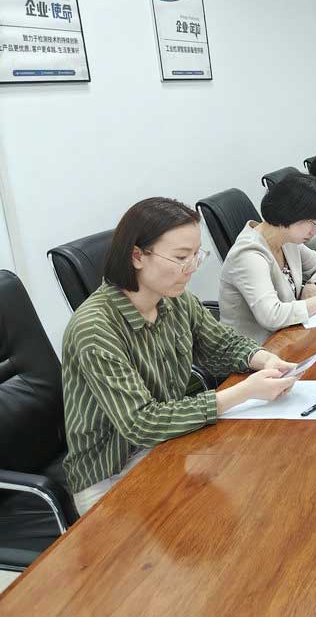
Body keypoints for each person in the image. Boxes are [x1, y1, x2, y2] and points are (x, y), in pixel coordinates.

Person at [62, 197, 301, 514]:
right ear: (137, 256)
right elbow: (142, 422)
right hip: (111, 472)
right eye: (180, 257)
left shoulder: (174, 298)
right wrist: (244, 392)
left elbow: (221, 344)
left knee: (263, 482)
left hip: (170, 442)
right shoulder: (95, 329)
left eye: (195, 255)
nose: (191, 268)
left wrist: (264, 359)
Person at [220, 173, 316, 343]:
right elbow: (272, 316)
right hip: (255, 349)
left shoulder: (287, 240)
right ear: (292, 213)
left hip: (289, 336)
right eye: (313, 223)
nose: (314, 231)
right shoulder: (249, 255)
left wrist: (315, 285)